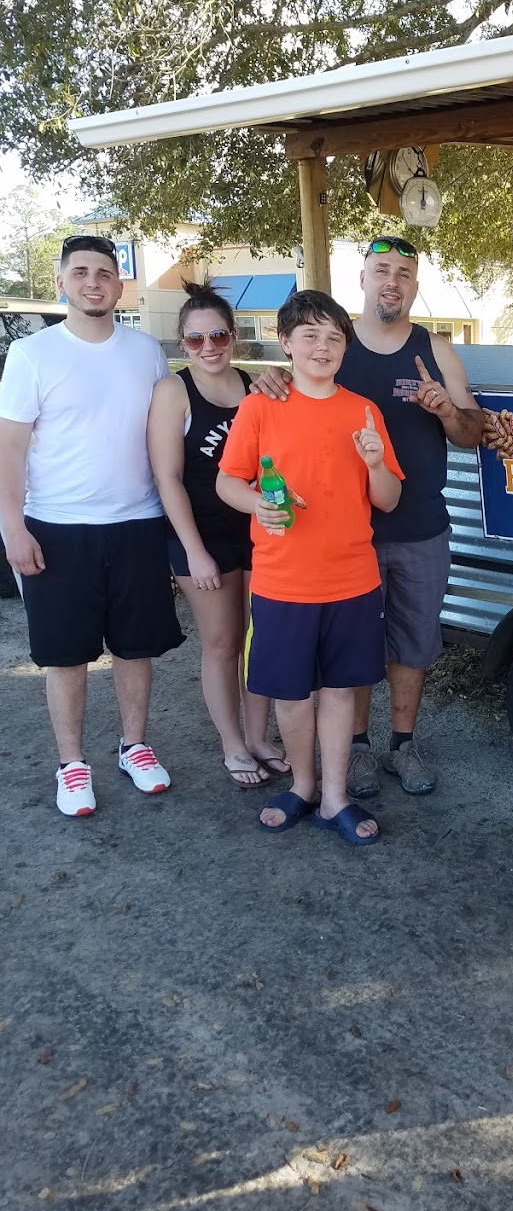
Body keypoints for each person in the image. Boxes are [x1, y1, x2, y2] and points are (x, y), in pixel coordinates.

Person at [254, 235, 484, 796]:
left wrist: (447, 409)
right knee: (350, 654)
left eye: (404, 273)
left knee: (414, 642)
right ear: (362, 278)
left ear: (414, 286)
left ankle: (402, 745)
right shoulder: (332, 342)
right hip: (339, 539)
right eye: (382, 270)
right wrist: (267, 377)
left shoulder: (435, 349)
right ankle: (353, 750)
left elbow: (473, 434)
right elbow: (284, 394)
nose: (392, 282)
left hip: (420, 527)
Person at [0, 233, 183, 815]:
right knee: (64, 654)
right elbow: (10, 451)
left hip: (137, 523)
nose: (92, 282)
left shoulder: (146, 351)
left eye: (103, 273)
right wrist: (11, 528)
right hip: (56, 526)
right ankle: (73, 766)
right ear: (62, 280)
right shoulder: (32, 355)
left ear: (119, 284)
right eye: (80, 272)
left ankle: (135, 747)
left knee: (136, 648)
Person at [217, 289, 403, 842]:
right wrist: (257, 503)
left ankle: (336, 798)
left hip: (352, 579)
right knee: (292, 694)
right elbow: (229, 480)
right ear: (285, 344)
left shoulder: (364, 411)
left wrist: (374, 463)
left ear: (344, 348)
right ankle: (303, 787)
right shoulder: (258, 407)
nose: (322, 347)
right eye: (310, 336)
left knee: (341, 691)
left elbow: (389, 498)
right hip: (281, 581)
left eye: (333, 338)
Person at [147, 282, 289, 787]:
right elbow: (166, 477)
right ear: (182, 343)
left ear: (234, 338)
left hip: (257, 531)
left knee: (260, 639)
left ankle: (257, 736)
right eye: (195, 340)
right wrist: (193, 551)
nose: (208, 347)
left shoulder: (257, 387)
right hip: (201, 537)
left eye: (218, 335)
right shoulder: (173, 391)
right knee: (223, 642)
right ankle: (231, 744)